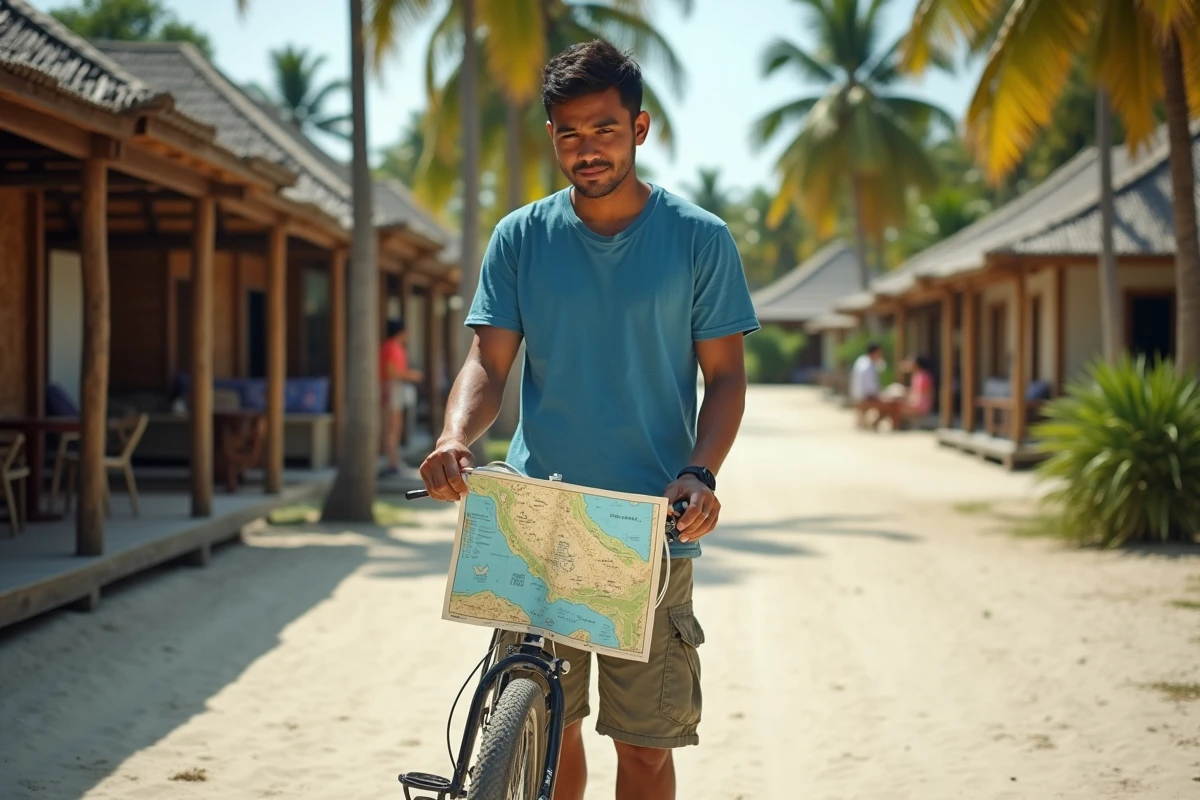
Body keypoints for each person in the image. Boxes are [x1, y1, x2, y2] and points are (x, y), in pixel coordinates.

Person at [417, 39, 759, 800]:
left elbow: (727, 378)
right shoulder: (520, 237)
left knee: (642, 748)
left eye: (604, 129)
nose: (587, 148)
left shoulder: (698, 239)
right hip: (539, 518)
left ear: (638, 129)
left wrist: (701, 473)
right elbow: (488, 363)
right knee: (546, 723)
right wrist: (453, 438)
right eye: (569, 133)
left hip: (652, 528)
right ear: (552, 138)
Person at [379, 319, 422, 477]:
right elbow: (391, 372)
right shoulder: (390, 347)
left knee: (396, 426)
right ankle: (393, 462)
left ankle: (394, 461)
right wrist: (411, 375)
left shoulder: (396, 347)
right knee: (392, 427)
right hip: (392, 388)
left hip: (396, 388)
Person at [873, 354, 935, 431]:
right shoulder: (917, 375)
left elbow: (919, 397)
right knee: (892, 401)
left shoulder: (922, 376)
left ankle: (893, 426)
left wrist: (904, 397)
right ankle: (881, 423)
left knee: (894, 405)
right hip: (917, 403)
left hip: (920, 406)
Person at [848, 342, 884, 428]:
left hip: (857, 395)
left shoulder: (862, 360)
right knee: (891, 406)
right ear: (875, 352)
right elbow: (870, 387)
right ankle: (873, 424)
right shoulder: (867, 366)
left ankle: (866, 423)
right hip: (864, 396)